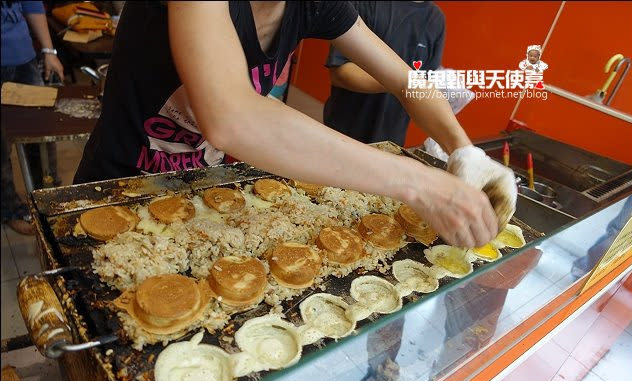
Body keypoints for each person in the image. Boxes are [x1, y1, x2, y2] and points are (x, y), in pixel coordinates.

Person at [74, 1, 516, 249]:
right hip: (120, 191)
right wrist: (422, 185)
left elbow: (406, 81)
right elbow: (232, 116)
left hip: (208, 196)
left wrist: (464, 151)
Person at [323, 1, 445, 146]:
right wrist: (403, 83)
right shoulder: (365, 4)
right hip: (344, 131)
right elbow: (340, 72)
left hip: (391, 140)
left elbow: (425, 81)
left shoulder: (436, 19)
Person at [1, 0, 64, 234]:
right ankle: (9, 209)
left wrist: (48, 51)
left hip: (23, 59)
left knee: (42, 134)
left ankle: (48, 197)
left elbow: (31, 3)